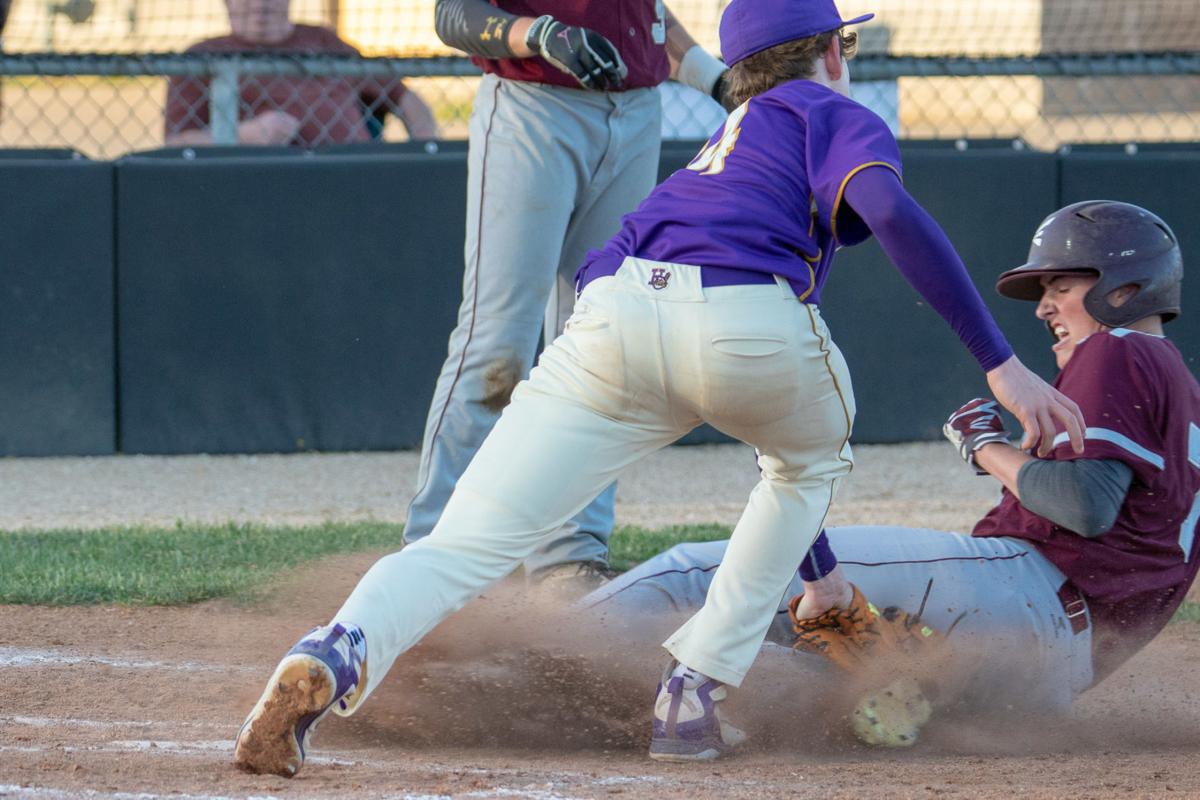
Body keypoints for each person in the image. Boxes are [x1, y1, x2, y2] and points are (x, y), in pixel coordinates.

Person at [231, 0, 1086, 776]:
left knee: (465, 544)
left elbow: (605, 269)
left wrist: (815, 565)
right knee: (806, 460)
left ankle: (336, 649)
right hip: (748, 316)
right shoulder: (829, 109)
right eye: (845, 42)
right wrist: (1000, 365)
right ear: (828, 52)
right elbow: (890, 216)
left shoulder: (710, 159)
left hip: (612, 318)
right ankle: (693, 694)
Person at [583, 199, 1199, 743]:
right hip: (1051, 668)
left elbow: (1086, 504)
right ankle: (577, 701)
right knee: (800, 662)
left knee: (697, 573)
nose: (1043, 307)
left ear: (1122, 289)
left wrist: (983, 444)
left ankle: (526, 648)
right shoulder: (1182, 391)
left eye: (1060, 287)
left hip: (1024, 592)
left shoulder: (1117, 347)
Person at [406, 0, 733, 595]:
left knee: (600, 338)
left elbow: (645, 15)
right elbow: (455, 15)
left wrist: (711, 76)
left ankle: (569, 552)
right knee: (497, 342)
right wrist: (541, 35)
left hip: (636, 112)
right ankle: (429, 551)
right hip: (534, 107)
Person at [164, 0, 437, 148]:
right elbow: (176, 144)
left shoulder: (325, 42)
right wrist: (246, 135)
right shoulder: (201, 58)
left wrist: (425, 150)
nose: (260, 6)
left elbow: (404, 98)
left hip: (355, 175)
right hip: (268, 187)